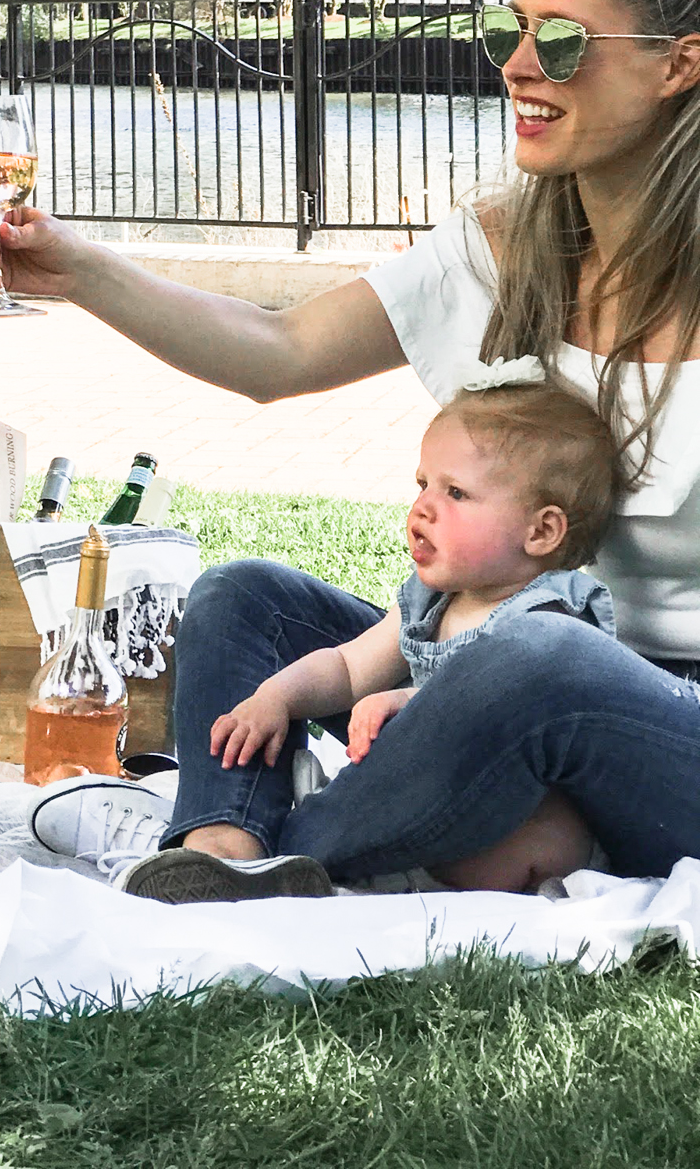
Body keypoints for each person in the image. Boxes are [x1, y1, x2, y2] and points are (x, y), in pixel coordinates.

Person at [0, 0, 700, 902]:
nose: (516, 65)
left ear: (680, 65)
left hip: (660, 724)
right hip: (501, 659)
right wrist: (79, 269)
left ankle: (290, 847)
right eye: (509, 31)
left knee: (536, 666)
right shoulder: (502, 247)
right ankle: (222, 848)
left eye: (562, 42)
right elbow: (279, 354)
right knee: (247, 602)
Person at [127, 383, 620, 903]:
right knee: (238, 593)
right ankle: (238, 846)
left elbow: (507, 711)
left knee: (507, 827)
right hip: (425, 816)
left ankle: (287, 848)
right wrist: (277, 697)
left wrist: (405, 701)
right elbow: (345, 667)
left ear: (541, 531)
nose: (423, 507)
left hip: (512, 834)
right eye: (423, 483)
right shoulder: (435, 599)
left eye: (455, 493)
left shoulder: (555, 615)